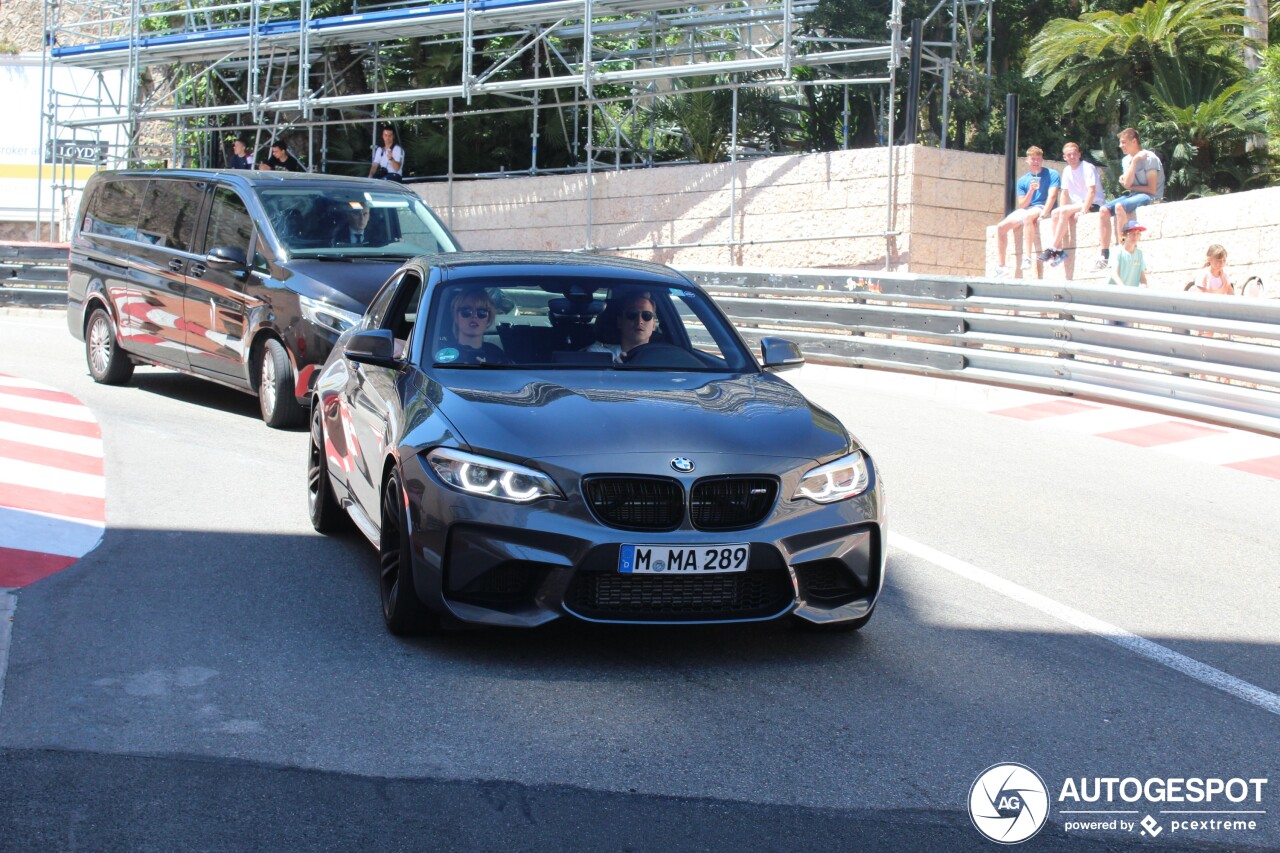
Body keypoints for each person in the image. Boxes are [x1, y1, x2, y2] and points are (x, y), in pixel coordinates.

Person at [1096, 128, 1164, 269]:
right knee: (1103, 210)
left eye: (1123, 142)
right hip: (1134, 195)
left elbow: (1151, 189)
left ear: (1134, 141)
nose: (1121, 146)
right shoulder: (1126, 160)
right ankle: (1104, 254)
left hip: (1150, 196)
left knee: (1119, 207)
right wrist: (1133, 164)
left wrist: (1130, 183)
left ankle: (1123, 248)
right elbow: (1127, 184)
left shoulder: (1150, 158)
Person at [993, 146, 1059, 277]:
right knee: (1001, 227)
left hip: (1042, 206)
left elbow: (1052, 196)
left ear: (1042, 159)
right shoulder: (1023, 180)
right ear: (1027, 160)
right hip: (1027, 208)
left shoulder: (1052, 174)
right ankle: (1001, 266)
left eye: (1038, 159)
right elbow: (1022, 204)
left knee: (1028, 217)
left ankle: (1027, 258)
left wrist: (1044, 214)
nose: (1036, 162)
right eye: (1033, 159)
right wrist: (1031, 190)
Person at [1037, 142, 1099, 267]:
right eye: (1068, 155)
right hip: (1078, 204)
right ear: (1064, 157)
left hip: (1093, 203)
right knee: (1055, 212)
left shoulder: (1087, 167)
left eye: (1074, 154)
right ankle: (1059, 251)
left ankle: (1052, 248)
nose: (1072, 157)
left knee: (1063, 212)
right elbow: (1064, 194)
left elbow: (1091, 191)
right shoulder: (1066, 170)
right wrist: (1061, 211)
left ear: (1079, 154)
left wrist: (1083, 210)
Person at [437, 287, 508, 365]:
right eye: (466, 311)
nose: (474, 316)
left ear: (489, 318)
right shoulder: (443, 354)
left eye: (481, 312)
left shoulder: (495, 353)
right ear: (455, 316)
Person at [586, 292, 657, 363]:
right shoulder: (599, 354)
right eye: (631, 314)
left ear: (654, 325)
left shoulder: (662, 357)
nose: (639, 321)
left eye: (647, 315)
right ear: (620, 322)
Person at [1108, 221, 1148, 288]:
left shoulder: (1139, 254)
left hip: (1131, 295)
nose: (1135, 236)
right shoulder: (1116, 251)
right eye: (1132, 233)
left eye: (1138, 233)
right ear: (1124, 235)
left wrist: (1144, 285)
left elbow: (1142, 277)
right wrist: (1124, 289)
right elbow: (1114, 274)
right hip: (1115, 294)